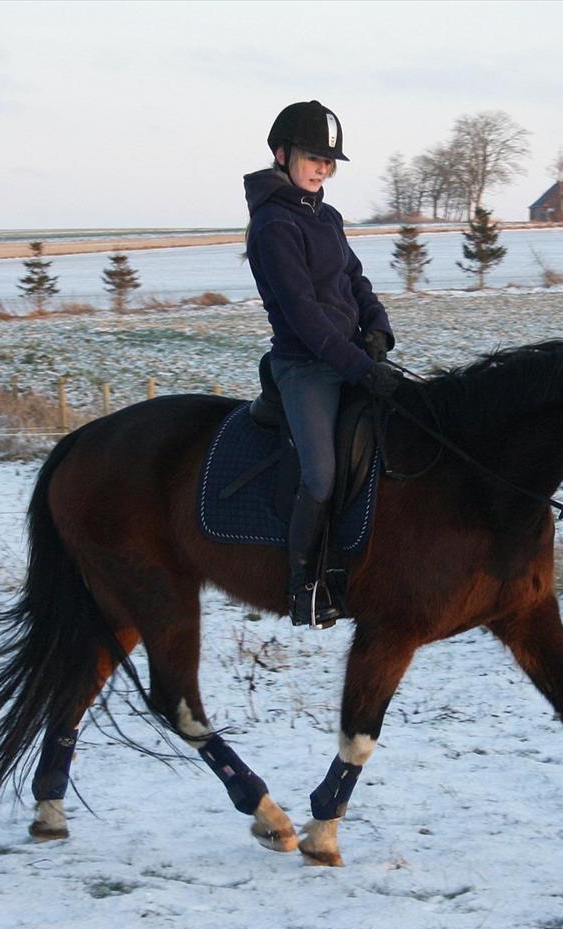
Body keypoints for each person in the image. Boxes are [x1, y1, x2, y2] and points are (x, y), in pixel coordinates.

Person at [243, 100, 399, 629]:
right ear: (282, 155)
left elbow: (354, 280)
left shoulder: (326, 217)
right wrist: (358, 366)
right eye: (314, 157)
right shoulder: (272, 224)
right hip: (305, 366)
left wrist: (377, 328)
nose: (323, 168)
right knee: (322, 472)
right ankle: (304, 585)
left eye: (329, 161)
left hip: (350, 356)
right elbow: (304, 315)